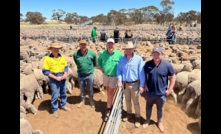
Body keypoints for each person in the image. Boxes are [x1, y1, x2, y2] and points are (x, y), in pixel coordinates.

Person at [143, 46, 176, 132]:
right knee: (148, 106)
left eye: (158, 54)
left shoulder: (167, 65)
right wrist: (145, 84)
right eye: (154, 54)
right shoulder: (147, 64)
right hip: (150, 92)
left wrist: (170, 89)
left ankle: (159, 122)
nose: (156, 56)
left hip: (161, 93)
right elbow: (144, 75)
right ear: (152, 55)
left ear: (161, 55)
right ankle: (147, 120)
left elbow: (173, 77)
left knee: (160, 108)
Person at [117, 41, 145, 128]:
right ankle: (129, 113)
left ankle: (137, 117)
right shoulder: (122, 59)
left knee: (136, 101)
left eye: (130, 49)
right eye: (127, 49)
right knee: (127, 100)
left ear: (133, 49)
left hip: (135, 84)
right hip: (125, 83)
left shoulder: (138, 59)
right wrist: (120, 80)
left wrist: (142, 85)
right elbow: (119, 71)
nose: (128, 51)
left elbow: (142, 73)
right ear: (124, 50)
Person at [42, 41, 71, 118]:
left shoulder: (62, 57)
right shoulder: (47, 59)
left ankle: (63, 105)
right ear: (51, 49)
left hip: (62, 77)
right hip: (54, 78)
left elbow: (65, 67)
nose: (56, 50)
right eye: (54, 48)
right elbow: (45, 71)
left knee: (63, 92)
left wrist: (65, 74)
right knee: (55, 94)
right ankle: (54, 109)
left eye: (57, 48)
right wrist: (55, 77)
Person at [97, 38, 123, 121]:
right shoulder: (103, 54)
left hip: (114, 76)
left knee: (110, 93)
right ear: (106, 45)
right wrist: (101, 68)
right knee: (108, 91)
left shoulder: (119, 54)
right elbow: (99, 60)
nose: (110, 45)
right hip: (105, 75)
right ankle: (110, 101)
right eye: (109, 44)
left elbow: (123, 63)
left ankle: (108, 109)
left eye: (112, 44)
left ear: (114, 45)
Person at [73, 40, 97, 108]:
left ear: (86, 45)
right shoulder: (75, 54)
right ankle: (82, 100)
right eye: (81, 45)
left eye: (84, 45)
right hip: (81, 74)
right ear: (79, 45)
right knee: (82, 88)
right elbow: (76, 62)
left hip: (89, 74)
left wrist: (90, 69)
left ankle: (91, 100)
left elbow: (94, 62)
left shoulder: (92, 53)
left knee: (90, 88)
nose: (83, 46)